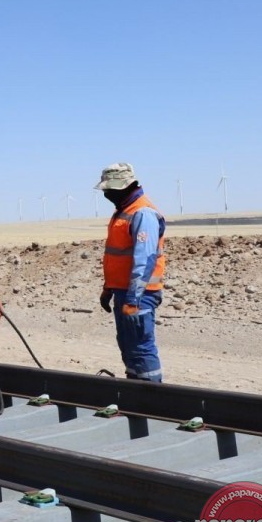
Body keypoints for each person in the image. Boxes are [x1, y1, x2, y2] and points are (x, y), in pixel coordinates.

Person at [95, 162, 166, 382]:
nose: (107, 194)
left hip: (140, 295)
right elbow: (118, 257)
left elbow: (144, 260)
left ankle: (151, 393)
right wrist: (108, 289)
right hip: (123, 292)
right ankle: (133, 388)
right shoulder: (124, 211)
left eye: (110, 189)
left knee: (141, 346)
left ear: (126, 186)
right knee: (128, 344)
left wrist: (134, 299)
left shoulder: (142, 213)